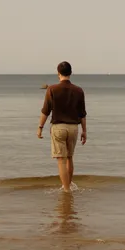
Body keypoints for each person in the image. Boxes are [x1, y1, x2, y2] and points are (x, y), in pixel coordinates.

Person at [38, 61, 86, 191]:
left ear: (58, 73)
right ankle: (69, 185)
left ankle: (66, 190)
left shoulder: (52, 89)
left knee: (61, 160)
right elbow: (82, 114)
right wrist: (84, 131)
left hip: (58, 127)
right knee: (70, 158)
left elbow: (45, 111)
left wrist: (40, 127)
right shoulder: (78, 90)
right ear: (71, 73)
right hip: (73, 128)